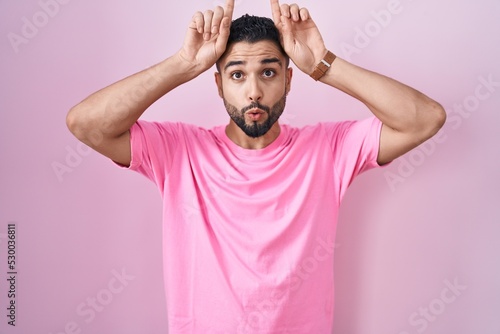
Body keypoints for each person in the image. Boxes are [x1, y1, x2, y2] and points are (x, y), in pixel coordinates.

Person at [66, 0, 446, 332]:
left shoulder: (329, 148)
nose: (253, 91)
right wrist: (181, 66)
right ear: (217, 84)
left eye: (268, 72)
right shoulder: (178, 150)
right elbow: (86, 124)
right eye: (236, 75)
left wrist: (324, 65)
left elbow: (424, 118)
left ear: (289, 78)